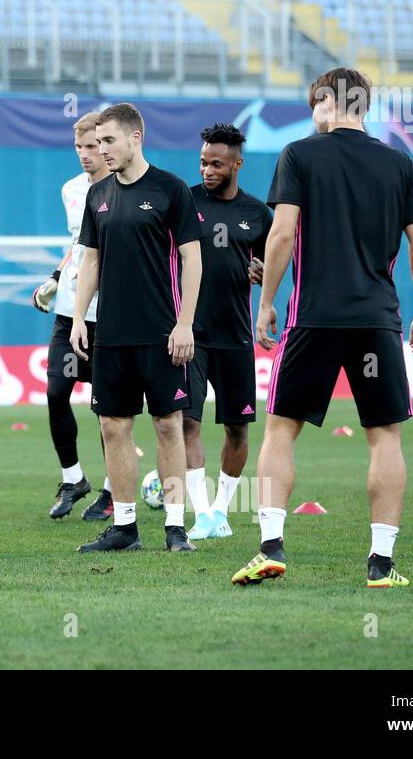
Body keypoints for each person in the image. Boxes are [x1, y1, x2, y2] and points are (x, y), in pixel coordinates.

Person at [234, 67, 413, 589]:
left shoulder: (299, 154)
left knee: (281, 429)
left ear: (325, 101)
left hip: (311, 318)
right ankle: (381, 564)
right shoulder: (399, 164)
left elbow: (281, 235)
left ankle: (271, 547)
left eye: (313, 104)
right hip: (376, 320)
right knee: (383, 436)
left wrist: (267, 302)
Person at [70, 102, 202, 553]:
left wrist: (185, 323)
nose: (102, 149)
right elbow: (91, 259)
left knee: (168, 425)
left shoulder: (171, 189)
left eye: (109, 140)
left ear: (135, 138)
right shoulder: (98, 195)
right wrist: (77, 317)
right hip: (111, 333)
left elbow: (192, 259)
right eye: (97, 141)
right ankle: (124, 526)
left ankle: (175, 527)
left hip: (162, 333)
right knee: (112, 426)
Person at [185, 123, 272, 539]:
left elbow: (275, 261)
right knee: (187, 422)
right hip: (189, 333)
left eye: (216, 164)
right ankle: (200, 513)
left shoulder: (258, 213)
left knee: (237, 427)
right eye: (203, 162)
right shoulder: (183, 202)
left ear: (237, 163)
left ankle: (221, 511)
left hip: (235, 334)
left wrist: (264, 272)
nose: (207, 170)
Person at [33, 112, 112, 519]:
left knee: (108, 407)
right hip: (70, 312)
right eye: (78, 146)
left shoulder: (125, 189)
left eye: (92, 146)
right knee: (55, 392)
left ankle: (113, 489)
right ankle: (73, 478)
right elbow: (78, 245)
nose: (84, 154)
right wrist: (54, 278)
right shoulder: (71, 190)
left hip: (111, 316)